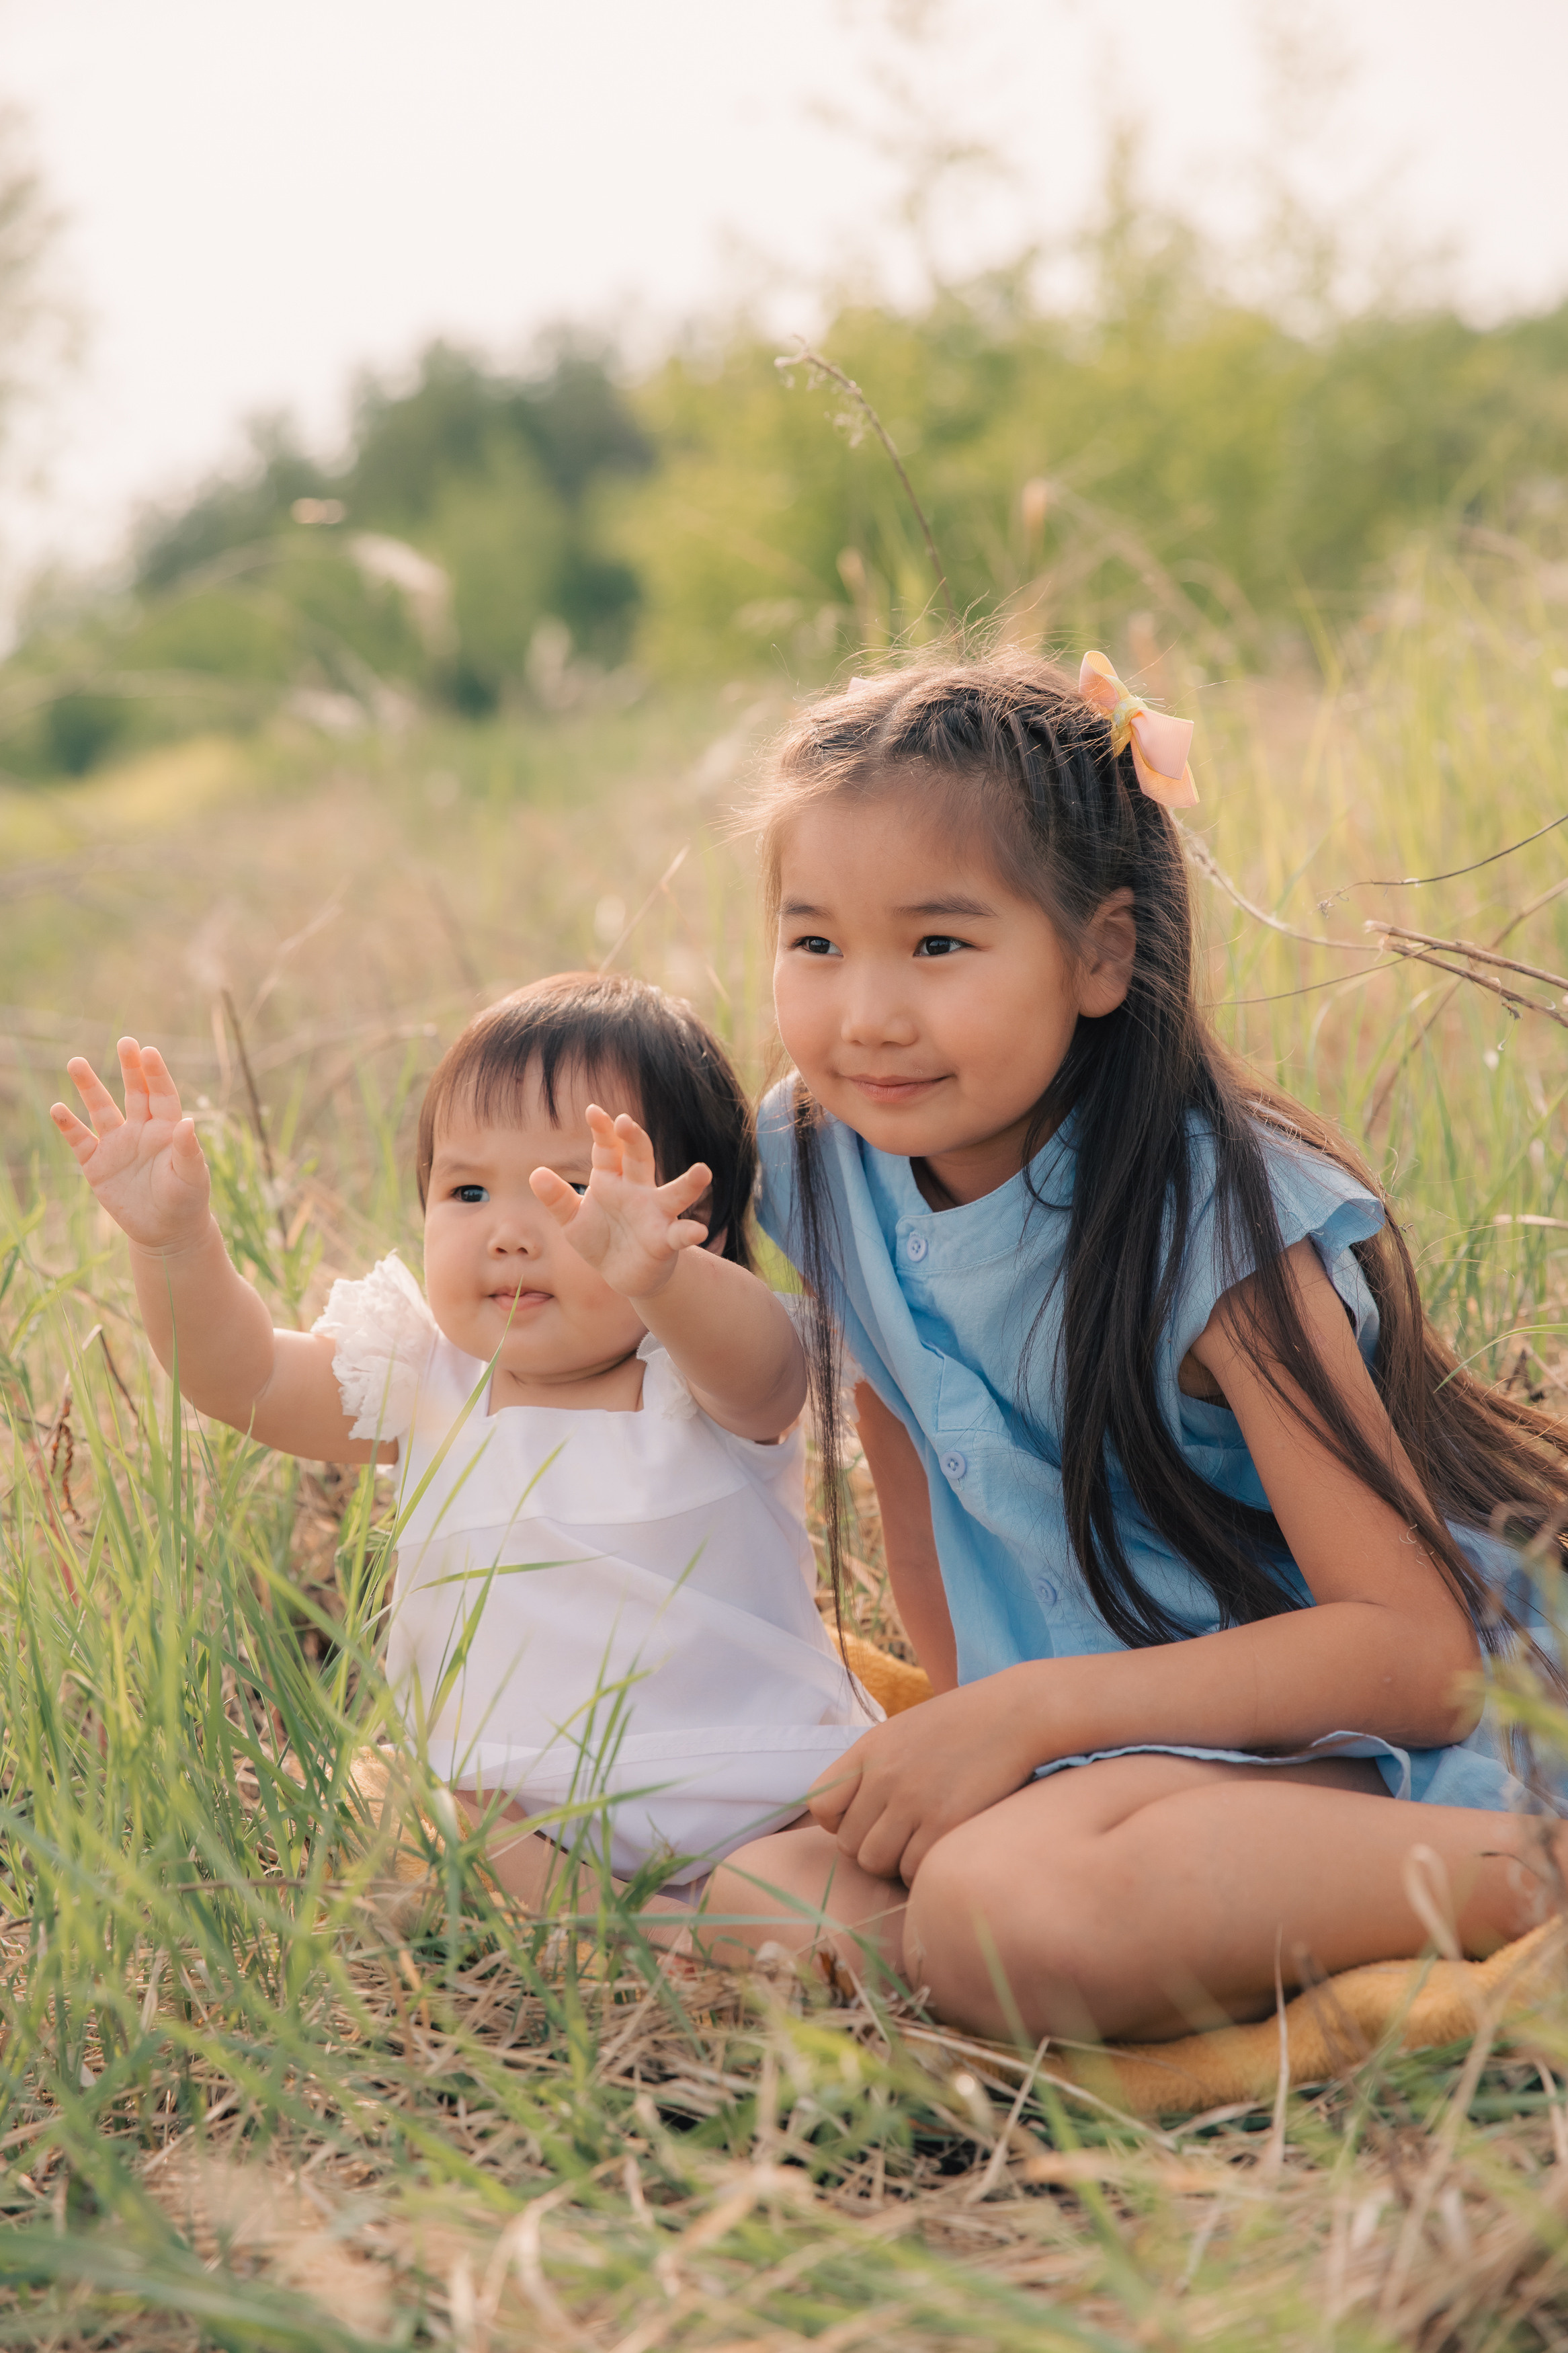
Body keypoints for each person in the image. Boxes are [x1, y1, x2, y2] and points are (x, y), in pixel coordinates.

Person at [694, 648, 1568, 2042]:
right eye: (814, 943)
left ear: (1101, 952)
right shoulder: (820, 1154)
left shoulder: (1213, 1222)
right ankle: (1111, 1899)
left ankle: (1531, 1874)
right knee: (762, 1895)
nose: (866, 1013)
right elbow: (905, 1447)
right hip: (1109, 1744)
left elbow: (1418, 1656)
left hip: (1363, 1738)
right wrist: (979, 1727)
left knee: (1004, 1918)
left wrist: (1036, 1719)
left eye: (937, 944)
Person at [51, 973, 876, 1905]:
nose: (510, 1234)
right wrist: (174, 1246)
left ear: (700, 1226)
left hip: (755, 1784)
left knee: (841, 1892)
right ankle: (633, 1934)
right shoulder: (425, 1377)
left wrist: (661, 1280)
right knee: (424, 1819)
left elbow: (769, 1381)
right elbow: (244, 1381)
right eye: (468, 1190)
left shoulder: (705, 1363)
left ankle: (704, 1920)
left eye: (571, 1191)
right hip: (512, 1805)